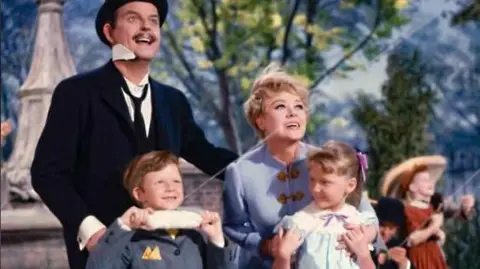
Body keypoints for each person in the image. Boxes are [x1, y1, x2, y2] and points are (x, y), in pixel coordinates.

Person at [30, 1, 237, 269]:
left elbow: (207, 154)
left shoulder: (174, 101)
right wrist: (92, 230)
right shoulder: (76, 94)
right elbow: (47, 174)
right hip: (102, 253)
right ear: (109, 32)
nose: (146, 27)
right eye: (133, 18)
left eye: (153, 20)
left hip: (165, 255)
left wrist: (265, 168)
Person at [222, 64, 378, 269]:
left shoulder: (327, 160)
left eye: (298, 107)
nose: (292, 113)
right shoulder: (240, 171)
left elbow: (368, 216)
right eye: (280, 107)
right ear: (260, 121)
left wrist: (363, 238)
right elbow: (234, 226)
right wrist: (266, 246)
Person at [86, 151, 232, 269]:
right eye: (160, 182)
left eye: (176, 181)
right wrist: (121, 226)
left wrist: (216, 239)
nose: (170, 187)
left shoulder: (194, 238)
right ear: (139, 193)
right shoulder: (129, 239)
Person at [270, 140, 377, 269]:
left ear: (350, 185)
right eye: (312, 180)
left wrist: (363, 254)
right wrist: (283, 256)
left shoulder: (357, 223)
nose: (315, 188)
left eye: (325, 182)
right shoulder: (301, 222)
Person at [381, 156, 449, 269]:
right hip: (420, 259)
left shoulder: (431, 208)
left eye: (431, 179)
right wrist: (433, 227)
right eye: (425, 180)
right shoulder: (408, 210)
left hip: (435, 258)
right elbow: (411, 240)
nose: (431, 183)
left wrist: (439, 235)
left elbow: (433, 239)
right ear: (412, 187)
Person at [374, 197, 413, 269]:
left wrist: (404, 264)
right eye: (381, 225)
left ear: (397, 228)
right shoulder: (363, 242)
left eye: (391, 228)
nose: (385, 232)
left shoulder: (399, 245)